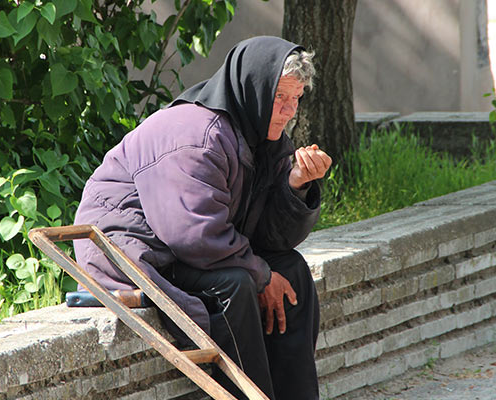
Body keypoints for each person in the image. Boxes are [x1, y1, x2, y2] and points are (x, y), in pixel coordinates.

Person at [73, 36, 331, 400]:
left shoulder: (263, 137)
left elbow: (271, 239)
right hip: (135, 254)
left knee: (293, 273)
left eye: (296, 99)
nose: (289, 111)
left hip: (188, 252)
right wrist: (261, 275)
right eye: (280, 98)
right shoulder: (196, 136)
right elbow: (193, 235)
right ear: (253, 90)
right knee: (235, 286)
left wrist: (296, 185)